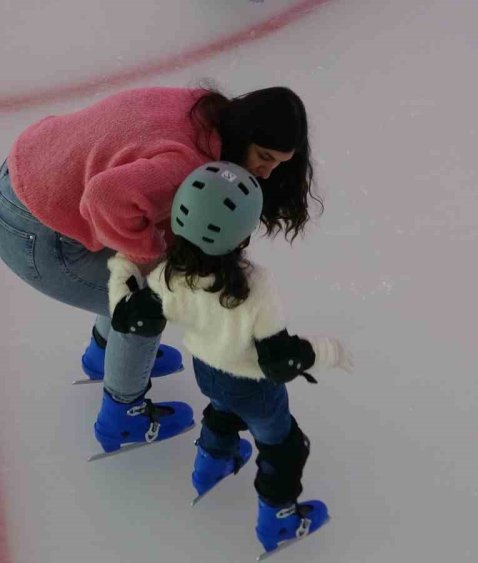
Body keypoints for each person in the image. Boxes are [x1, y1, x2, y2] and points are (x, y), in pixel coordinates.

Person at [0, 85, 319, 453]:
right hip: (35, 232)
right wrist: (150, 263)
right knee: (149, 305)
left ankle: (102, 355)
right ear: (243, 133)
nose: (268, 173)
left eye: (279, 163)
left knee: (142, 264)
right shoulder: (185, 167)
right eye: (264, 156)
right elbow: (104, 197)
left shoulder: (201, 108)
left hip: (27, 170)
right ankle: (123, 417)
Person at [107, 161, 352, 556]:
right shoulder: (254, 286)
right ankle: (279, 520)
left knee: (222, 408)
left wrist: (121, 270)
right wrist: (326, 351)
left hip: (207, 372)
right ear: (243, 235)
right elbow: (276, 361)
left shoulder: (169, 273)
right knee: (285, 447)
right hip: (255, 388)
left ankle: (211, 464)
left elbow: (129, 317)